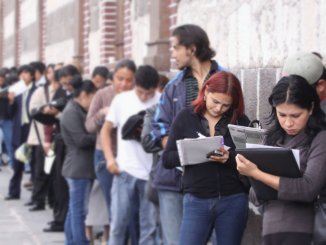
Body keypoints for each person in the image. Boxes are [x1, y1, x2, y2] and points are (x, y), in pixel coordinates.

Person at [150, 23, 224, 245]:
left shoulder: (224, 80)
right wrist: (177, 150)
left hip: (213, 178)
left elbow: (235, 121)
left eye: (175, 48)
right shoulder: (174, 85)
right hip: (173, 179)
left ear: (191, 48)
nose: (172, 54)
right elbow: (159, 125)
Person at [236, 75, 326, 245]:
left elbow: (307, 189)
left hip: (307, 230)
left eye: (296, 115)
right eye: (282, 115)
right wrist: (253, 177)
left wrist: (256, 173)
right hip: (272, 226)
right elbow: (255, 196)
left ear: (311, 108)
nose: (288, 123)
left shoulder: (320, 139)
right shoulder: (272, 138)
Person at [161, 71, 249, 245]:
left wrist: (229, 158)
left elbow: (250, 160)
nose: (218, 108)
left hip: (233, 199)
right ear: (206, 91)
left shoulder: (240, 121)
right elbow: (167, 159)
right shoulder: (186, 117)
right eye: (215, 101)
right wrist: (193, 151)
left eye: (226, 105)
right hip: (196, 199)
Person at [101, 65, 161, 245]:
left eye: (148, 93)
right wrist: (110, 159)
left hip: (151, 174)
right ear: (135, 84)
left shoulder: (162, 101)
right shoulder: (121, 100)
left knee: (149, 227)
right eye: (141, 92)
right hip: (124, 171)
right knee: (118, 224)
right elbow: (105, 131)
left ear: (156, 88)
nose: (144, 97)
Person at [85, 59, 136, 244]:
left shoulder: (138, 97)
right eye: (119, 78)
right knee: (114, 208)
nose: (124, 84)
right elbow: (89, 126)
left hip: (132, 158)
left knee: (132, 209)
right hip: (106, 156)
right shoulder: (102, 94)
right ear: (112, 78)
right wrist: (102, 114)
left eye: (129, 79)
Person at [60, 79, 97, 245]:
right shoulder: (71, 112)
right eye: (93, 98)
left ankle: (71, 241)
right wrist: (101, 138)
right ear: (83, 95)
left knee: (74, 210)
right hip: (77, 168)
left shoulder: (76, 109)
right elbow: (81, 140)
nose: (93, 103)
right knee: (79, 212)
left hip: (80, 167)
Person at [4, 65, 37, 200]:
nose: (23, 76)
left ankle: (37, 195)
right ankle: (14, 192)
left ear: (32, 76)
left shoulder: (36, 90)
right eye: (21, 74)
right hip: (20, 129)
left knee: (35, 162)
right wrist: (11, 102)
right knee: (18, 162)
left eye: (26, 73)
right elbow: (10, 114)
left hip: (32, 129)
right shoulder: (16, 91)